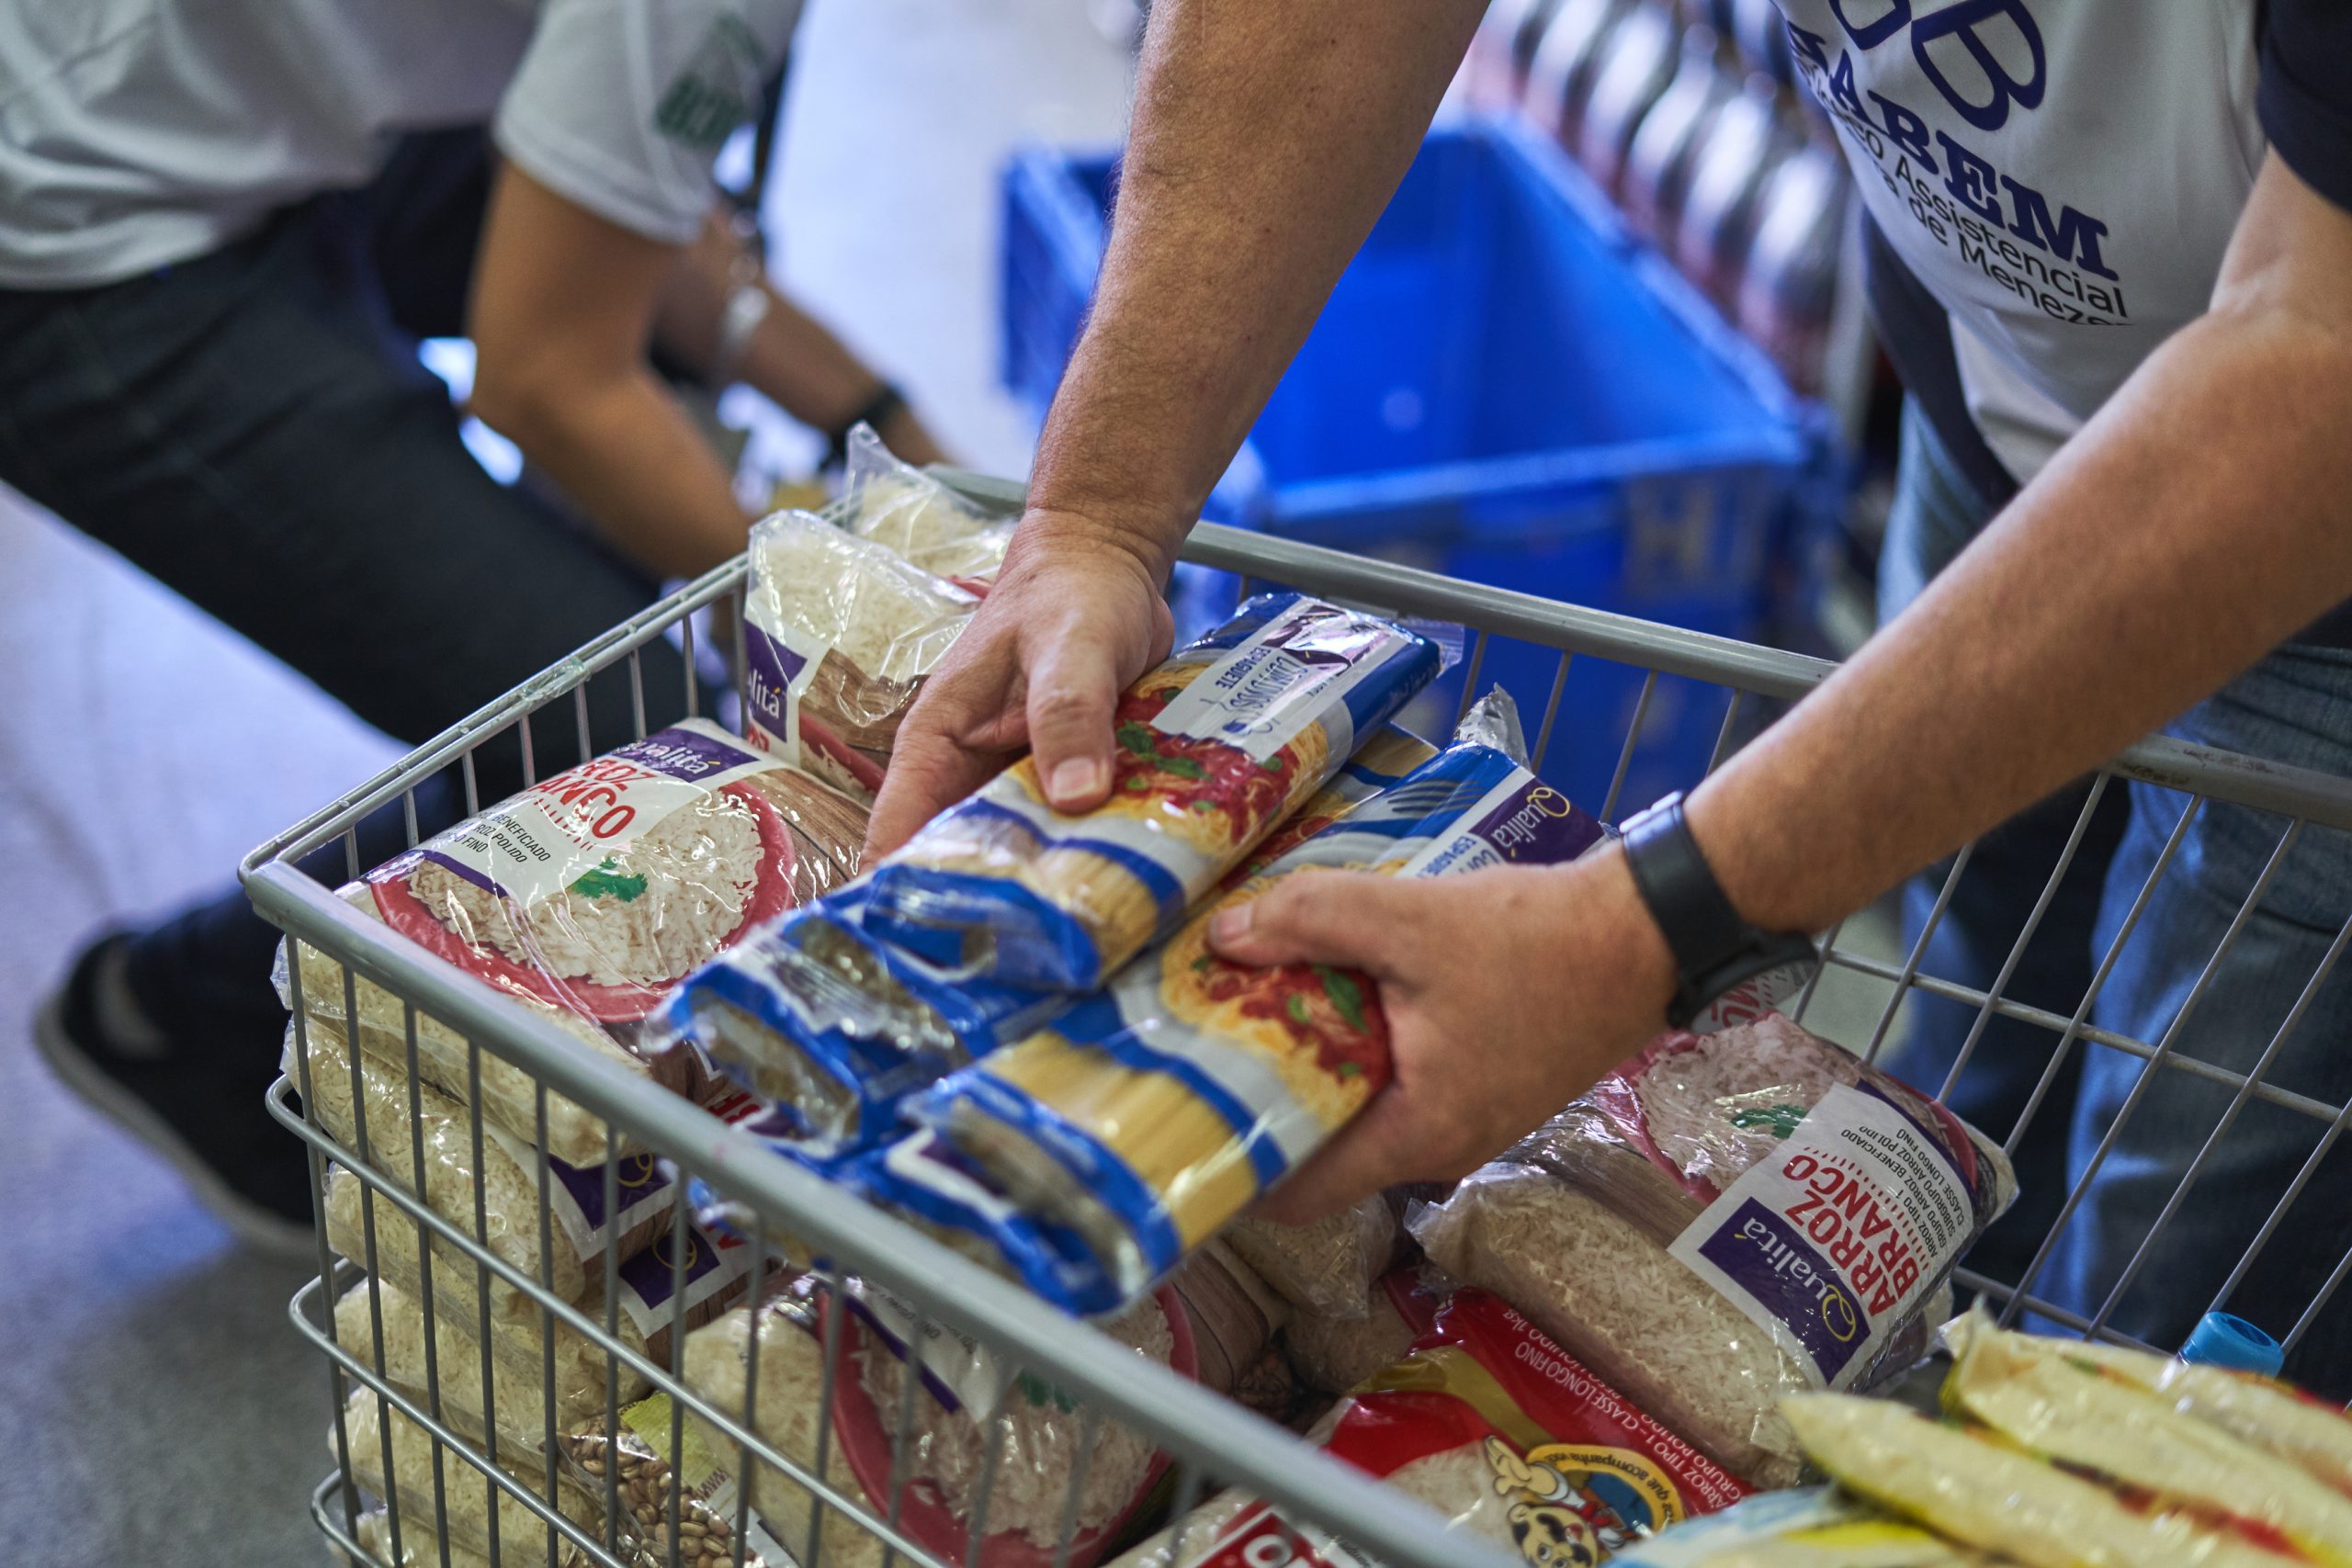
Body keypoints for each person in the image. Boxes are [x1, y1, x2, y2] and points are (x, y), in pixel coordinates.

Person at [867, 2, 2352, 1388]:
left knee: (2166, 1261)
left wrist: (1643, 930)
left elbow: (2320, 368)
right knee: (1967, 1051)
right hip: (1997, 391)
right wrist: (1099, 518)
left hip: (2319, 548)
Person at [7, 0, 946, 1253]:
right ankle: (184, 1018)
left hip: (252, 122)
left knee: (623, 324)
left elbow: (646, 218)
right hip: (70, 227)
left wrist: (896, 435)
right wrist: (848, 644)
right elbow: (546, 377)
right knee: (624, 719)